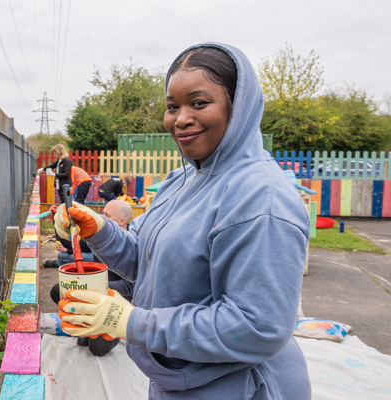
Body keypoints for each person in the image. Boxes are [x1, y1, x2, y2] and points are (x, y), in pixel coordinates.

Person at [54, 43, 311, 399]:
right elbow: (147, 264)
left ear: (239, 108)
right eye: (172, 106)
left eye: (199, 102)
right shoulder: (181, 180)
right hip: (180, 378)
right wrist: (99, 230)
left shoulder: (260, 199)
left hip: (239, 387)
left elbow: (256, 327)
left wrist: (129, 321)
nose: (180, 118)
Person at [50, 200, 135, 357]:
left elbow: (131, 286)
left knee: (97, 349)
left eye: (106, 215)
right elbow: (71, 243)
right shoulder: (102, 238)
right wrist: (59, 224)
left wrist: (96, 288)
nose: (102, 217)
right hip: (97, 293)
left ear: (122, 221)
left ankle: (115, 335)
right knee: (58, 291)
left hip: (119, 302)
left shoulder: (132, 246)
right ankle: (86, 326)